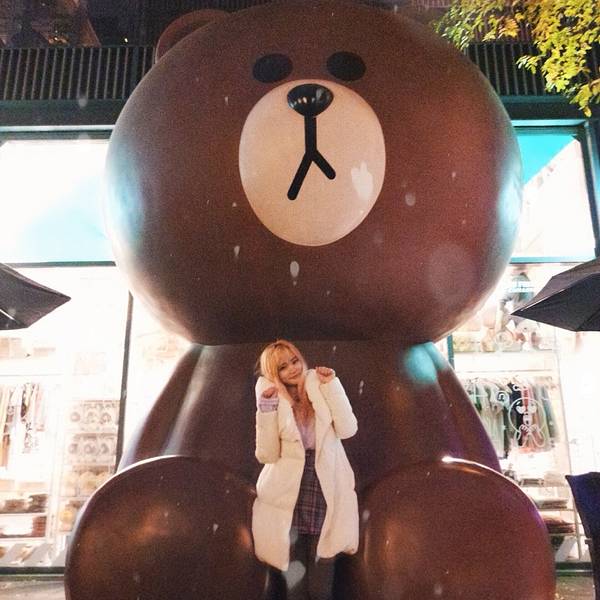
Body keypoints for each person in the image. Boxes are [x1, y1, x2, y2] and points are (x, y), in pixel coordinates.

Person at [252, 339, 359, 600]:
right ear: (273, 373)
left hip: (324, 486)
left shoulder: (321, 387)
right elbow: (267, 454)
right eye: (282, 367)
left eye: (294, 361)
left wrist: (332, 385)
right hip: (288, 492)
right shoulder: (273, 399)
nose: (292, 368)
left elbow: (348, 429)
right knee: (296, 589)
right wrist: (266, 411)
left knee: (320, 587)